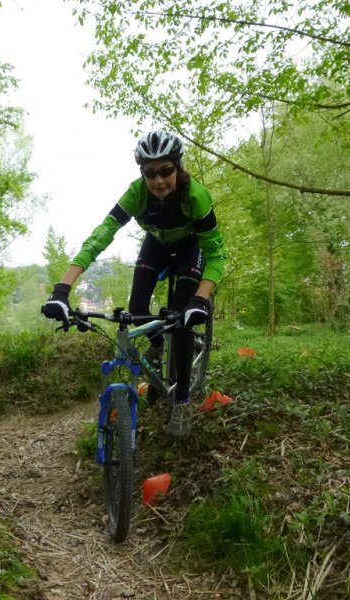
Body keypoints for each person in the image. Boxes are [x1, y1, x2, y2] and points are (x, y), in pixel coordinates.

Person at [43, 130, 225, 437]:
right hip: (156, 243)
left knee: (181, 322)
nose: (158, 181)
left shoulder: (195, 196)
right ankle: (157, 346)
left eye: (166, 171)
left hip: (190, 247)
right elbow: (100, 237)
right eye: (149, 173)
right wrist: (62, 289)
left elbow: (216, 253)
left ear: (178, 167)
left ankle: (181, 402)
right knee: (137, 308)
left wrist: (200, 299)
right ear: (142, 173)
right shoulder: (136, 194)